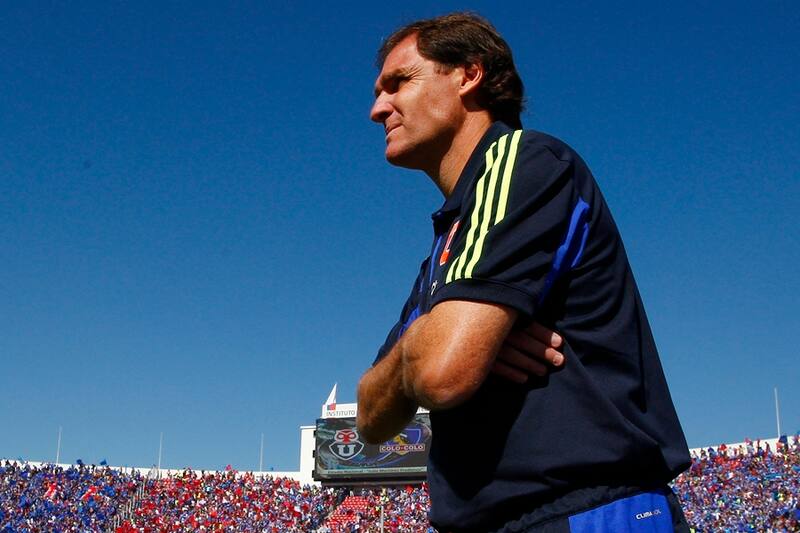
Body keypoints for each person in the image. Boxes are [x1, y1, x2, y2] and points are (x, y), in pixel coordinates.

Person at [356, 12, 691, 533]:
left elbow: (442, 374)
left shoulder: (523, 161)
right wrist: (426, 342)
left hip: (583, 509)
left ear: (469, 75)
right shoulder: (447, 245)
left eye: (399, 83)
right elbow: (370, 418)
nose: (378, 108)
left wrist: (436, 352)